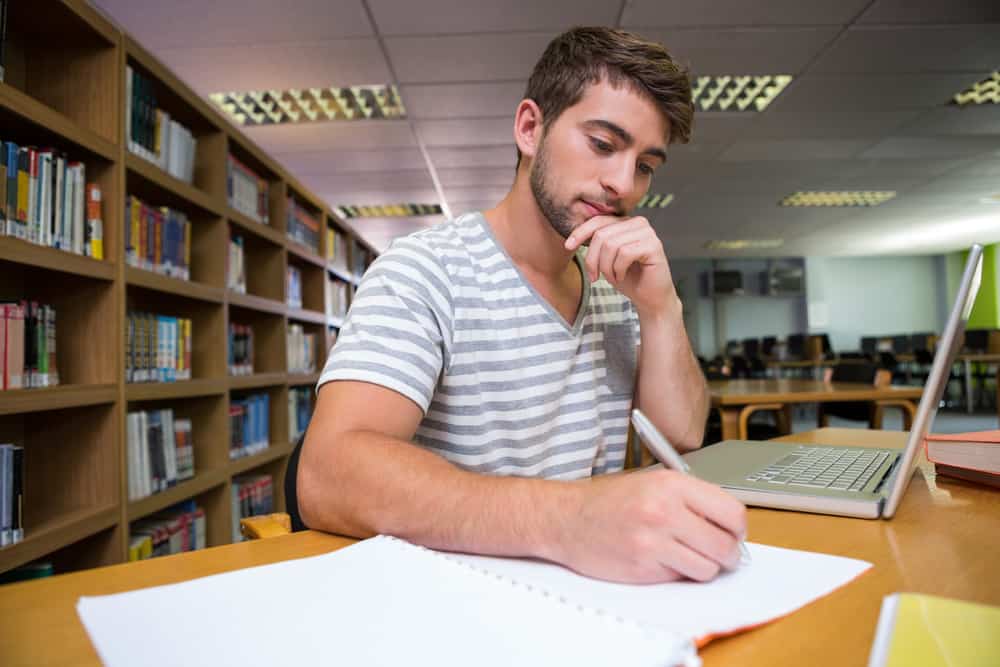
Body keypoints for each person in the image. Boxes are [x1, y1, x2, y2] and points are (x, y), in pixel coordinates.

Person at [298, 26, 747, 584]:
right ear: (531, 128)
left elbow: (680, 436)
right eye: (603, 144)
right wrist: (571, 518)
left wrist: (662, 308)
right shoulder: (425, 269)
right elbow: (328, 474)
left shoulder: (617, 288)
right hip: (454, 596)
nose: (623, 185)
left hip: (592, 590)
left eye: (645, 165)